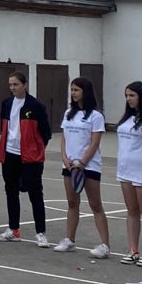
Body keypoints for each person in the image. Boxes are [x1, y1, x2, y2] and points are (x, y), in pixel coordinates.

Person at [52, 77, 112, 258]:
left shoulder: (96, 116)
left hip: (89, 166)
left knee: (96, 205)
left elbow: (94, 143)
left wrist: (82, 162)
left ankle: (105, 245)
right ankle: (69, 240)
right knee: (72, 203)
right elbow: (64, 139)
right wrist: (65, 158)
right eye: (72, 90)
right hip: (69, 166)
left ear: (86, 92)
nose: (73, 93)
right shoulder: (68, 113)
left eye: (76, 90)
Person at [0, 70, 52, 246]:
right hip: (9, 154)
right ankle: (13, 229)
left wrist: (36, 150)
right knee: (11, 191)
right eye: (10, 85)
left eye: (16, 84)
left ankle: (41, 233)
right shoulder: (6, 104)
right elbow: (5, 128)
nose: (13, 88)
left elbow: (46, 133)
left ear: (25, 85)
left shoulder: (36, 106)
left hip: (30, 157)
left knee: (35, 194)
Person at [115, 81, 142, 265]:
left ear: (141, 96)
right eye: (126, 95)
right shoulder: (127, 118)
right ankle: (133, 249)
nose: (128, 99)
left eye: (132, 95)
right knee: (131, 211)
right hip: (125, 169)